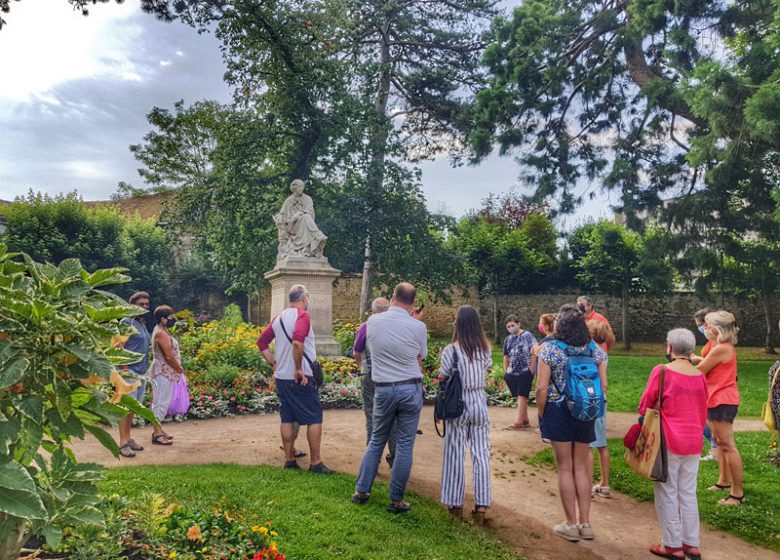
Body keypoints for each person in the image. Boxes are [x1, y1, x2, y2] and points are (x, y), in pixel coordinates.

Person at [352, 282, 427, 514]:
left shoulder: (373, 322)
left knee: (376, 439)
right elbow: (420, 356)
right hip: (410, 387)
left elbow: (366, 349)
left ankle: (362, 491)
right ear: (412, 303)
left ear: (393, 297)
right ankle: (396, 500)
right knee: (404, 445)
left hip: (383, 387)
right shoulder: (418, 327)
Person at [536, 304, 607, 542]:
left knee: (565, 468)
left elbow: (541, 388)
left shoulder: (550, 350)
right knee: (581, 468)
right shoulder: (594, 351)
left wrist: (542, 414)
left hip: (558, 410)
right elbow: (603, 386)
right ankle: (586, 524)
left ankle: (570, 524)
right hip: (585, 411)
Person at [639, 329, 708, 560]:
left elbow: (645, 405)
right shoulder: (700, 375)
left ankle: (672, 545)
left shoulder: (662, 371)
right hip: (694, 440)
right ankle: (692, 543)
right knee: (688, 492)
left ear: (669, 347)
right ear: (692, 349)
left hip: (668, 439)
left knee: (667, 491)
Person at [257, 284, 334, 474]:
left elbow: (262, 342)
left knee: (287, 417)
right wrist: (298, 369)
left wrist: (273, 363)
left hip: (282, 377)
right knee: (314, 417)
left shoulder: (280, 317)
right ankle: (315, 463)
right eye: (308, 297)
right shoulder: (302, 316)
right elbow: (298, 342)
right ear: (304, 298)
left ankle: (289, 459)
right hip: (301, 377)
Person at [438, 305, 493, 523]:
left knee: (455, 452)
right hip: (479, 401)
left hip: (458, 403)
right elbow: (486, 368)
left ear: (458, 324)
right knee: (481, 453)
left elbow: (443, 375)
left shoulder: (451, 350)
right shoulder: (485, 349)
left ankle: (455, 502)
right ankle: (482, 504)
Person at [696, 310, 745, 505]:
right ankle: (724, 482)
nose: (705, 327)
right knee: (719, 442)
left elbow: (700, 371)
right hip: (715, 398)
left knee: (727, 445)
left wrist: (679, 364)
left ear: (717, 328)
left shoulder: (722, 348)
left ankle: (737, 493)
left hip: (722, 400)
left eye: (708, 324)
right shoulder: (719, 345)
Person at [353, 297, 397, 467]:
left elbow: (357, 351)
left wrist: (363, 367)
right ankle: (394, 456)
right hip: (390, 376)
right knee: (392, 417)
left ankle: (373, 458)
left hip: (370, 374)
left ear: (373, 311)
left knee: (371, 416)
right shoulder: (394, 327)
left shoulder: (366, 326)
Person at [118, 291, 152, 458]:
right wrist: (124, 369)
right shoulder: (126, 321)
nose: (145, 306)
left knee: (132, 408)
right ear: (132, 306)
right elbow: (119, 346)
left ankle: (128, 438)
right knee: (125, 408)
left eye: (147, 304)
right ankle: (123, 443)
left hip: (141, 371)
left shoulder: (141, 323)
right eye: (141, 304)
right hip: (129, 371)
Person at [148, 305, 185, 446]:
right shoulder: (161, 333)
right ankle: (157, 434)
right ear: (162, 319)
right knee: (161, 402)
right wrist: (179, 370)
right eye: (170, 317)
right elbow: (168, 356)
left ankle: (159, 430)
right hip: (162, 371)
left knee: (162, 401)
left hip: (165, 371)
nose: (172, 320)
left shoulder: (162, 330)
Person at [586, 320, 614, 499]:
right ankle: (604, 484)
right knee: (602, 444)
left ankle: (587, 486)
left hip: (588, 398)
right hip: (601, 399)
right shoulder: (602, 353)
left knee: (587, 445)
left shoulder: (588, 351)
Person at [274, 179, 328, 259]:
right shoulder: (288, 200)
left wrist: (299, 214)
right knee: (306, 217)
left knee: (306, 217)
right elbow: (282, 215)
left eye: (302, 186)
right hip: (293, 226)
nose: (302, 188)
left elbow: (311, 213)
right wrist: (282, 218)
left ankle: (315, 239)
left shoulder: (308, 198)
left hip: (305, 224)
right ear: (294, 188)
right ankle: (317, 235)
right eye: (300, 186)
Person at [690, 307, 718, 461]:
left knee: (704, 419)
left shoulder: (717, 343)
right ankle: (715, 448)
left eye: (700, 326)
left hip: (713, 385)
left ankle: (716, 449)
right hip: (706, 383)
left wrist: (697, 359)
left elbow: (714, 363)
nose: (700, 329)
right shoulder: (711, 342)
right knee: (701, 419)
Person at [502, 314, 537, 430]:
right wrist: (506, 371)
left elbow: (534, 351)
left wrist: (531, 368)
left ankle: (519, 421)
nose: (511, 328)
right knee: (519, 395)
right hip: (512, 371)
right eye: (508, 326)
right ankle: (525, 419)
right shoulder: (508, 339)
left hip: (525, 370)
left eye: (513, 325)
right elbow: (505, 355)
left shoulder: (527, 335)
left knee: (522, 394)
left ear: (518, 324)